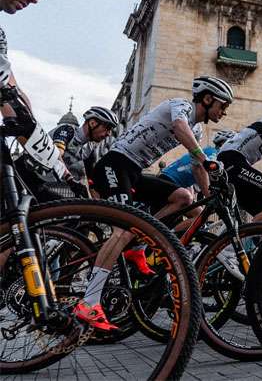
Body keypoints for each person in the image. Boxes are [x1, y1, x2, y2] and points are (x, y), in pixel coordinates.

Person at [80, 75, 233, 329]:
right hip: (115, 164)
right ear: (207, 99)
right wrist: (206, 160)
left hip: (135, 172)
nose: (224, 112)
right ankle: (89, 301)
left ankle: (140, 240)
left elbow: (197, 168)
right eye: (222, 106)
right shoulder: (180, 107)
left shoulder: (197, 129)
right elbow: (180, 129)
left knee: (183, 197)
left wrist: (208, 198)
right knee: (122, 229)